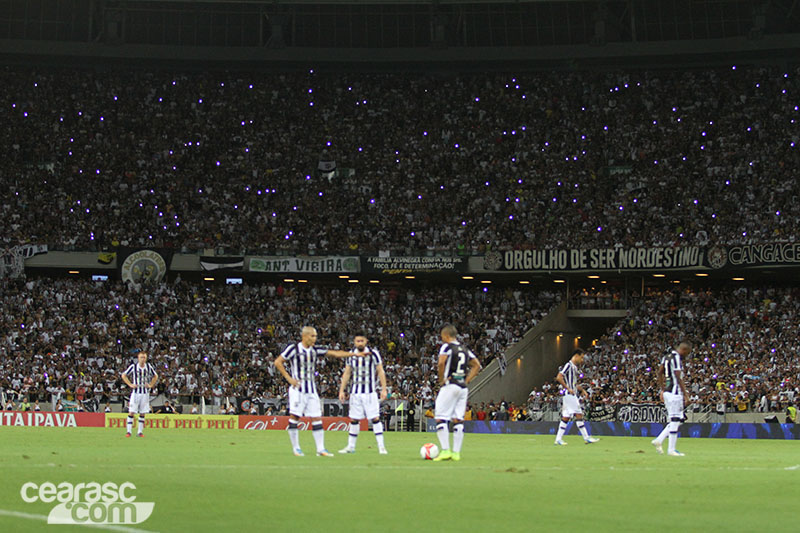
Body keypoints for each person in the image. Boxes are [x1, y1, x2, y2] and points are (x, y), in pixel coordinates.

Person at [274, 326, 364, 457]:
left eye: (315, 336)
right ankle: (296, 448)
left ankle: (321, 449)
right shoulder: (293, 349)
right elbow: (278, 362)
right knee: (295, 417)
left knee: (316, 417)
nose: (315, 339)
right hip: (298, 389)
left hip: (311, 390)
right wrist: (289, 379)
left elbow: (334, 353)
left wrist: (353, 354)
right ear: (305, 336)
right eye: (313, 336)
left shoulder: (315, 350)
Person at [433, 324, 481, 462]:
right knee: (458, 419)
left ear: (447, 336)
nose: (442, 339)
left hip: (450, 385)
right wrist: (466, 380)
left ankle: (445, 450)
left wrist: (441, 379)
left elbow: (441, 363)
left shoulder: (447, 347)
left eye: (442, 337)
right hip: (462, 388)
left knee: (440, 417)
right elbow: (477, 365)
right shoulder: (464, 349)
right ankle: (456, 453)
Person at [338, 333, 388, 455]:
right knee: (354, 419)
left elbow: (380, 371)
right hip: (355, 393)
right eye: (357, 341)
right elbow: (347, 373)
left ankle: (381, 447)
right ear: (354, 342)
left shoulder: (373, 353)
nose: (360, 343)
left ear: (366, 341)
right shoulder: (351, 355)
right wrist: (341, 390)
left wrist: (384, 388)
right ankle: (351, 446)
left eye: (362, 340)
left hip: (370, 392)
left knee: (375, 418)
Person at [651, 341, 692, 456]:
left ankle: (659, 440)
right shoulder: (676, 358)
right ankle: (671, 450)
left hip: (667, 393)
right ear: (683, 350)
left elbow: (659, 372)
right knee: (675, 421)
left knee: (679, 420)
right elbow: (678, 377)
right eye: (687, 353)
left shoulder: (666, 357)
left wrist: (662, 389)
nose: (686, 356)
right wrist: (686, 394)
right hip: (675, 393)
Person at [554, 349, 599, 445]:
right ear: (576, 356)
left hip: (569, 394)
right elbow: (559, 377)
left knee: (566, 417)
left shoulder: (574, 367)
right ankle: (586, 437)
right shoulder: (568, 365)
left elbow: (574, 384)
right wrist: (568, 388)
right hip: (570, 395)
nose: (582, 360)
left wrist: (582, 390)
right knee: (579, 414)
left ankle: (558, 439)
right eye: (581, 357)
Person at [121, 351, 158, 438]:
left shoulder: (148, 367)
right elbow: (123, 375)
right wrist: (130, 384)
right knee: (131, 412)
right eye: (141, 357)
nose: (143, 359)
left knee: (142, 413)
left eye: (144, 357)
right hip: (136, 393)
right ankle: (128, 431)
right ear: (138, 358)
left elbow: (155, 376)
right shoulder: (133, 367)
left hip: (145, 393)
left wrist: (150, 385)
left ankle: (140, 432)